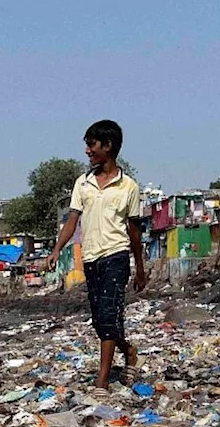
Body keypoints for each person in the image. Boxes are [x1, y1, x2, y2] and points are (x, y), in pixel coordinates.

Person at [45, 120, 148, 391]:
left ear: (108, 146)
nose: (87, 151)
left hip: (116, 256)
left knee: (108, 314)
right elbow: (72, 221)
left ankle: (101, 381)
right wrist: (57, 249)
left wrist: (140, 268)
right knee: (102, 320)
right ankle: (129, 351)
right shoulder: (84, 183)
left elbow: (134, 232)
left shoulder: (129, 187)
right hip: (90, 259)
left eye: (91, 145)